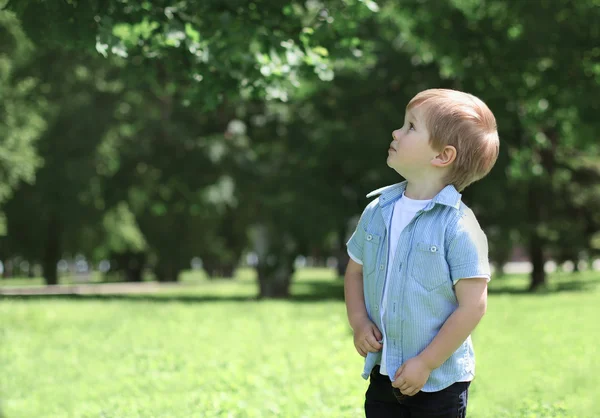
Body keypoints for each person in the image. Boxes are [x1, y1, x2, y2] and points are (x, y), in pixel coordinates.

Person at [344, 88, 500, 417]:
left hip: (439, 382)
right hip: (385, 371)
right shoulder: (376, 211)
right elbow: (355, 271)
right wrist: (359, 323)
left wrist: (426, 362)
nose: (396, 132)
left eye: (411, 127)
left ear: (442, 156)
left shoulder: (460, 227)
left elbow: (473, 306)